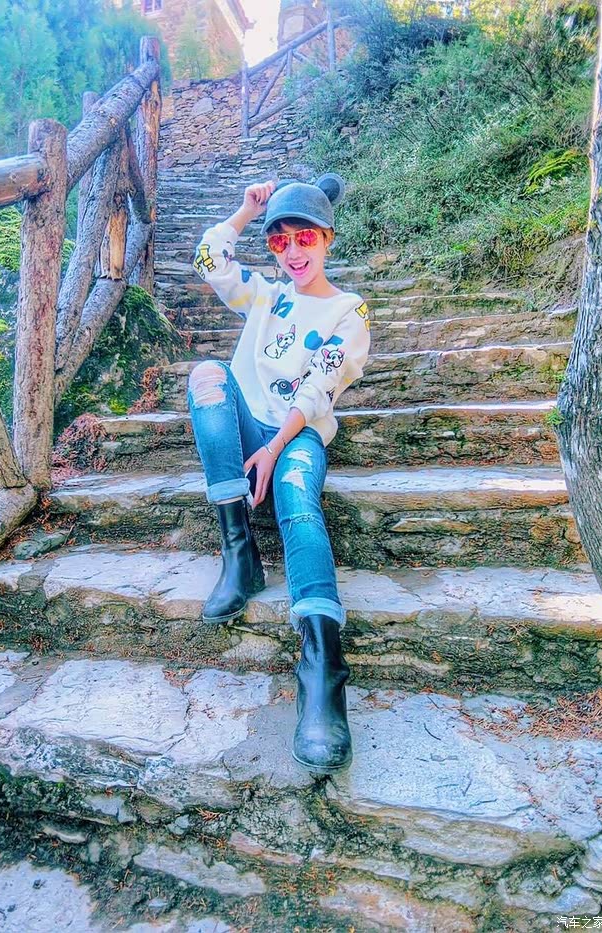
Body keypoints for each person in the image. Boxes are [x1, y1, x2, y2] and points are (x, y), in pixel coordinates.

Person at [188, 174, 370, 773]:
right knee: (207, 376)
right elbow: (209, 259)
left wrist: (272, 449)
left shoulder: (348, 311)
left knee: (296, 498)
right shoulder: (266, 296)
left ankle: (322, 669)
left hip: (298, 433)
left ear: (328, 239)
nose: (293, 252)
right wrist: (245, 214)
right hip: (249, 425)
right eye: (280, 241)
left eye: (305, 238)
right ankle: (239, 554)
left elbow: (319, 389)